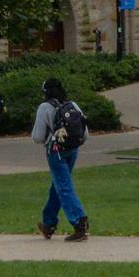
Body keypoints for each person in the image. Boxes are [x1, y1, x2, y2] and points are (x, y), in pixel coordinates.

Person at [31, 77, 89, 242]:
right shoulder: (72, 104)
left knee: (64, 186)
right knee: (59, 184)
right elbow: (85, 133)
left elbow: (37, 137)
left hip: (55, 151)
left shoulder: (44, 107)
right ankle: (48, 223)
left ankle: (79, 222)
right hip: (73, 149)